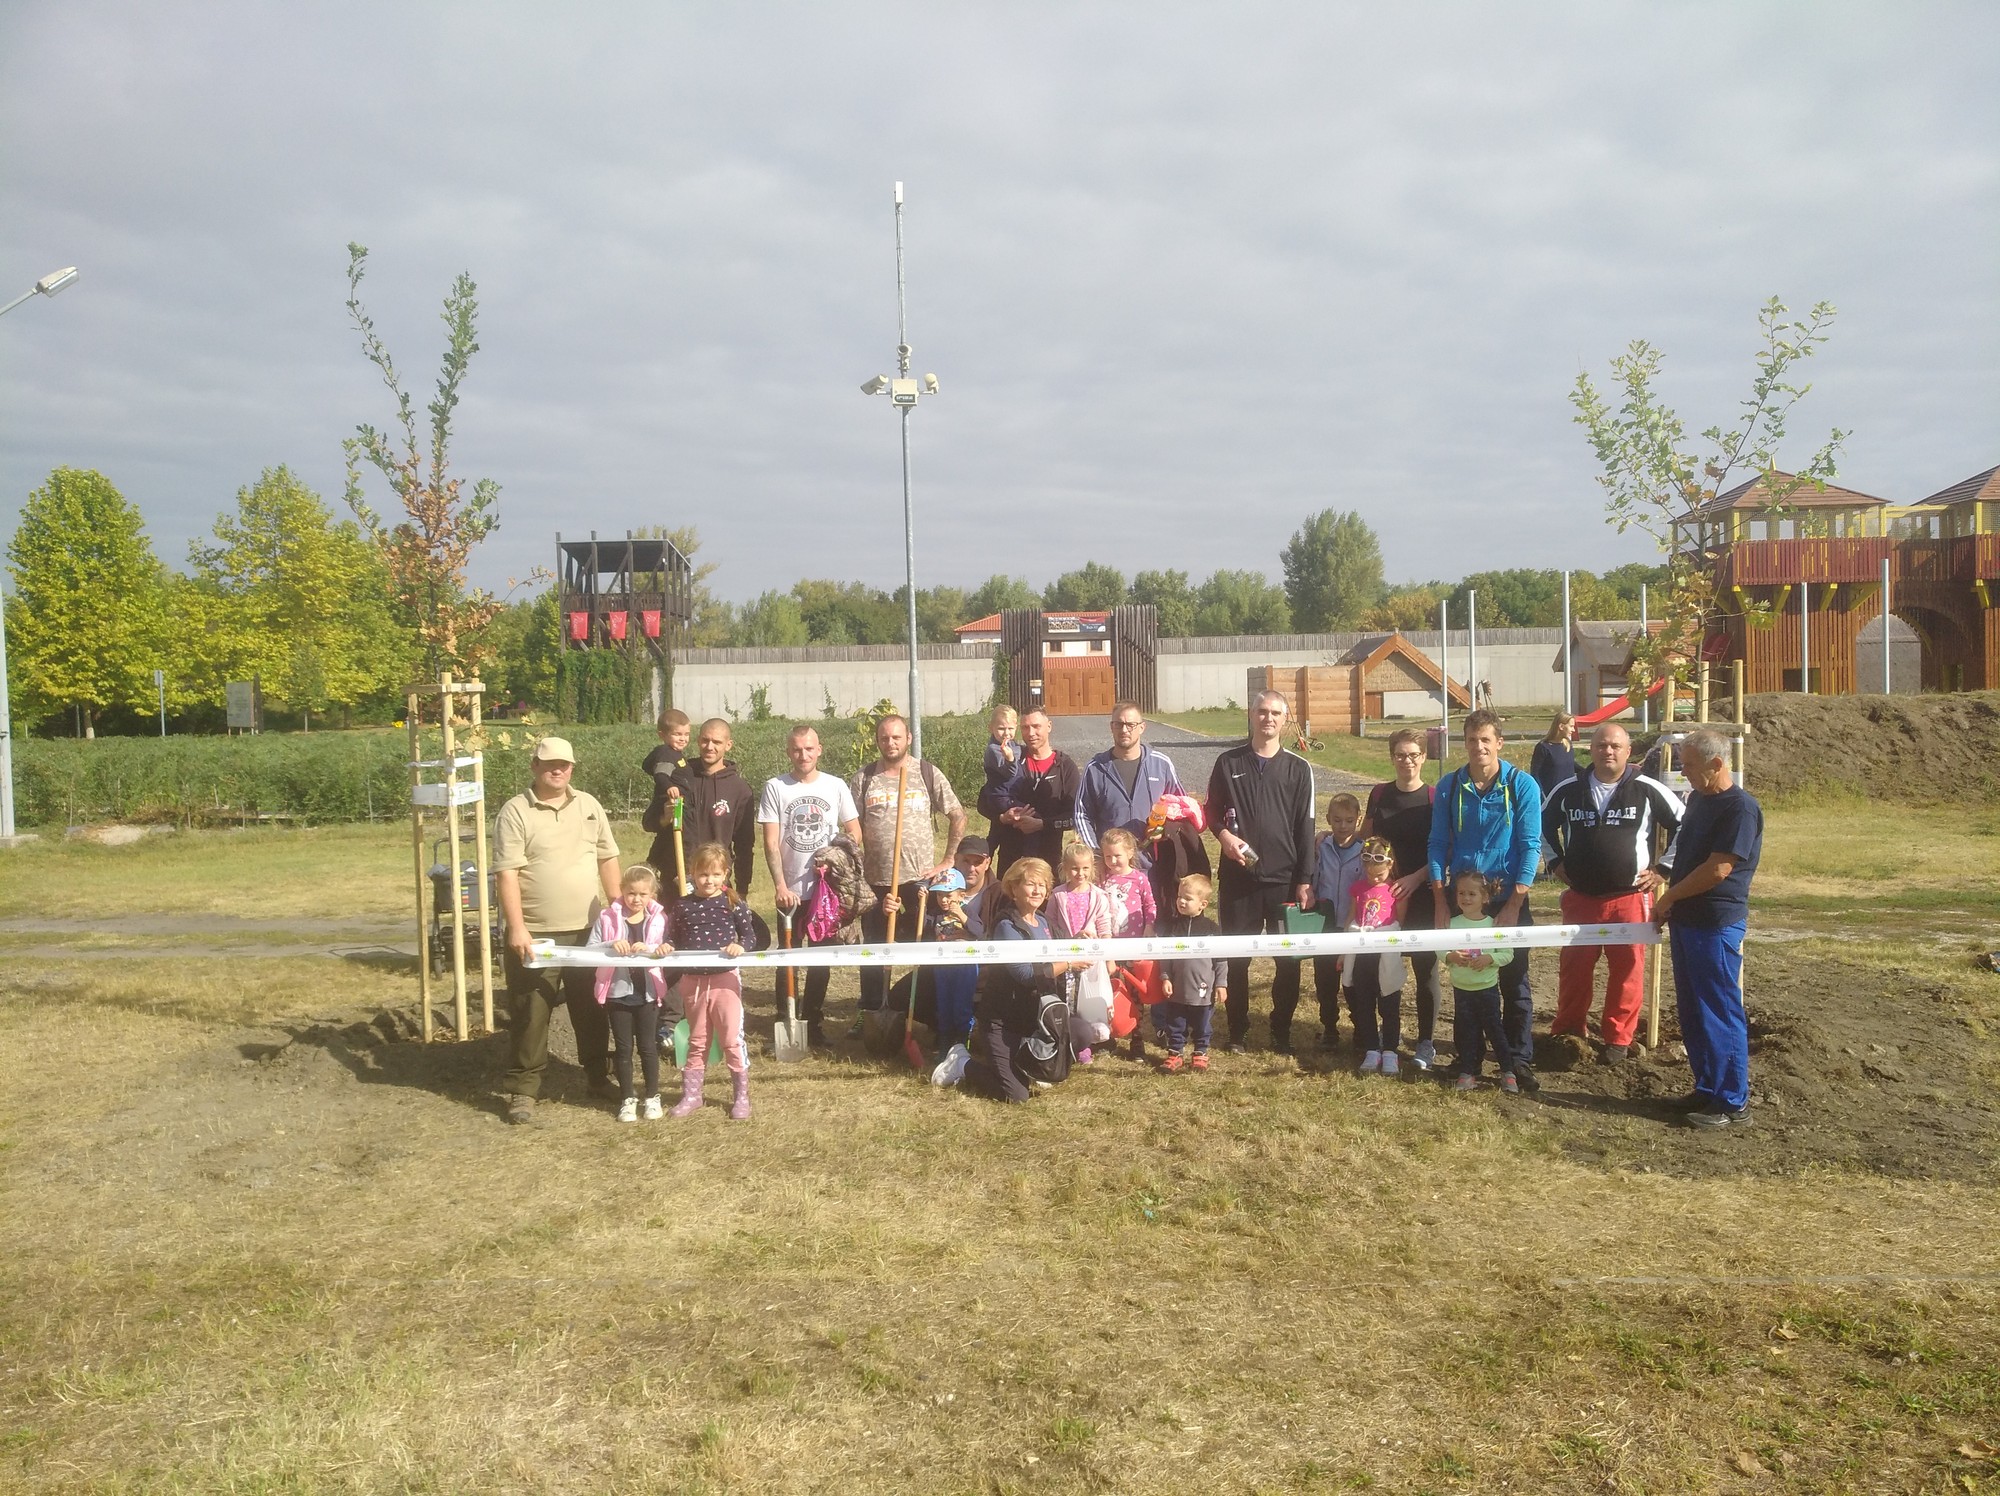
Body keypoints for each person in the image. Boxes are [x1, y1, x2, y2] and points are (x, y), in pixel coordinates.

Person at [496, 736, 623, 1125]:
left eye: (564, 764)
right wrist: (517, 928)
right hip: (537, 934)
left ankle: (598, 1077)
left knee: (592, 1007)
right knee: (531, 1012)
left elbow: (607, 858)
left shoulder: (589, 806)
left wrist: (619, 911)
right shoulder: (515, 811)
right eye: (550, 764)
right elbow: (507, 873)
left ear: (572, 768)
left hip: (590, 932)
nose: (558, 770)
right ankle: (524, 1090)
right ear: (534, 766)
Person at [1541, 722, 1684, 1063]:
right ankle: (1569, 1031)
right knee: (1574, 969)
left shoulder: (1647, 788)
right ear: (1590, 750)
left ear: (1628, 751)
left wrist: (1664, 869)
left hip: (1629, 897)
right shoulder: (1569, 789)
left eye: (1615, 746)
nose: (1608, 751)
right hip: (1581, 898)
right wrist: (1554, 861)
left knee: (1627, 971)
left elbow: (1686, 825)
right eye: (1601, 745)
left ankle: (1618, 1038)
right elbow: (1541, 826)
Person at [1651, 728, 1762, 1129]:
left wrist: (1669, 896)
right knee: (1694, 1010)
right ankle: (1708, 1087)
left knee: (1719, 1010)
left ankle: (1732, 1102)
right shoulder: (1698, 799)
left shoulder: (1740, 809)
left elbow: (1718, 869)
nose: (1683, 772)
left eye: (1690, 765)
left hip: (1715, 924)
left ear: (1717, 764)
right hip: (1688, 920)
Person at [1427, 709, 1543, 1090]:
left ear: (1499, 743)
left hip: (1507, 898)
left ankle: (1518, 1060)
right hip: (1463, 900)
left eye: (1486, 740)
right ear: (1464, 743)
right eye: (1472, 740)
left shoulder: (1522, 785)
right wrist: (1440, 899)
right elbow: (1437, 843)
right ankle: (1468, 1058)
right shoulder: (1449, 786)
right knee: (1467, 980)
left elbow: (1530, 846)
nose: (1479, 747)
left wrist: (1514, 903)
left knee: (1514, 981)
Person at [1205, 690, 1317, 1053]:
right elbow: (1211, 811)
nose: (1268, 718)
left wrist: (1305, 879)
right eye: (1262, 711)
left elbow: (1306, 827)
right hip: (1239, 880)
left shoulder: (1299, 768)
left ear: (1285, 720)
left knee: (1287, 962)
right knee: (1238, 959)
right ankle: (1237, 1031)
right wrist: (1224, 837)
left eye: (1275, 713)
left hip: (1283, 881)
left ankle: (1281, 1031)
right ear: (1252, 715)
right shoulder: (1228, 762)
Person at [935, 857, 1080, 1102]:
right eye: (1030, 884)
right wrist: (1068, 963)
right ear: (1013, 888)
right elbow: (1025, 975)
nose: (1037, 891)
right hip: (1001, 1022)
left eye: (1042, 885)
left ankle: (1025, 1065)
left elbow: (1064, 949)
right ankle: (962, 1064)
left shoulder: (1045, 922)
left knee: (1080, 1032)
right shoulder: (1006, 925)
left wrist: (1080, 942)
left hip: (1032, 1020)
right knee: (1016, 1096)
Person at [757, 724, 862, 1049]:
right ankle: (785, 1019)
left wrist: (835, 860)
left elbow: (855, 832)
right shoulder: (776, 787)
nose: (803, 755)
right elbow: (770, 842)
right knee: (787, 958)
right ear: (789, 752)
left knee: (820, 960)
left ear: (819, 750)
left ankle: (813, 1022)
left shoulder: (836, 786)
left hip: (824, 894)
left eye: (809, 748)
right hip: (790, 892)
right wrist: (780, 885)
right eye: (797, 749)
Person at [852, 715, 966, 1011]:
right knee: (874, 949)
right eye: (884, 738)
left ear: (908, 739)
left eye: (896, 737)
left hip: (919, 879)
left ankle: (921, 1009)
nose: (890, 743)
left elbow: (957, 815)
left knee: (924, 945)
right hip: (876, 880)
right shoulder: (864, 778)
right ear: (877, 741)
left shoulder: (926, 772)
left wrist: (948, 859)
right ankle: (872, 1010)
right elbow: (853, 828)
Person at [1361, 729, 1444, 1070]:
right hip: (1384, 900)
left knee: (1425, 969)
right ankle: (1386, 1037)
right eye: (1400, 755)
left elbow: (1442, 849)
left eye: (1413, 755)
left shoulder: (1434, 798)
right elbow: (1366, 840)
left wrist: (1415, 878)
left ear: (1423, 757)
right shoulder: (1379, 794)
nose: (1406, 761)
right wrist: (1331, 837)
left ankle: (1426, 1042)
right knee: (1383, 969)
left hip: (1422, 895)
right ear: (1392, 757)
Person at [662, 843, 760, 1121]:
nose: (709, 880)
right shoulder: (682, 906)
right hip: (692, 982)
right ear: (692, 874)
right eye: (703, 874)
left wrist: (740, 946)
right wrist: (667, 946)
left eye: (716, 874)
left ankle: (741, 1097)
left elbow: (751, 937)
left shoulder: (733, 903)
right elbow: (672, 937)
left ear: (725, 874)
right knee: (697, 1040)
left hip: (724, 981)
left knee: (731, 1039)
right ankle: (692, 1095)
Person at [1074, 702, 1184, 890]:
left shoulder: (1161, 764)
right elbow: (1081, 814)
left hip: (1155, 866)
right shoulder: (1096, 768)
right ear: (1111, 727)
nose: (1124, 730)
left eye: (1130, 725)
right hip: (1111, 870)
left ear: (1142, 727)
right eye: (1119, 724)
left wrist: (1165, 830)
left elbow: (1181, 807)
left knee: (1154, 909)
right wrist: (1097, 854)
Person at [645, 718, 755, 906]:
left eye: (717, 742)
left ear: (728, 745)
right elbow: (648, 823)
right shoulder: (678, 776)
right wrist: (665, 817)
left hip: (715, 883)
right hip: (674, 880)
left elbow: (744, 846)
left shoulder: (740, 790)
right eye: (705, 740)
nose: (709, 747)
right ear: (698, 741)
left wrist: (742, 889)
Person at [590, 864, 670, 1122]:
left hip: (648, 994)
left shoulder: (659, 918)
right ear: (622, 891)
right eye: (631, 893)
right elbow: (590, 949)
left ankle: (653, 1097)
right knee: (624, 1049)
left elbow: (667, 946)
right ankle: (627, 1099)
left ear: (652, 895)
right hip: (617, 993)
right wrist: (611, 945)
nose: (636, 899)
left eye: (643, 894)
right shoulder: (606, 918)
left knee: (648, 1047)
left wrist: (654, 949)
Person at [1445, 870, 1517, 1094]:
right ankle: (1467, 1073)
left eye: (1472, 894)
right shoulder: (1451, 924)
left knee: (1495, 1031)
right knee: (1466, 1033)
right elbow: (1439, 948)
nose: (1466, 898)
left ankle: (1508, 1072)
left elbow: (1508, 954)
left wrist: (1490, 959)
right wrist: (1450, 956)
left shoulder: (1494, 925)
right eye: (1461, 893)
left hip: (1487, 990)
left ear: (1485, 897)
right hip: (1461, 990)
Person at [980, 709, 1080, 874]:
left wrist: (1042, 824)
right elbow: (983, 803)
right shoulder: (1011, 756)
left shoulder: (1064, 767)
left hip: (1048, 862)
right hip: (1011, 862)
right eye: (1025, 727)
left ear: (1049, 726)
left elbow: (1074, 817)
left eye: (1036, 726)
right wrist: (1003, 817)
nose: (1031, 733)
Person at [1311, 792, 1365, 1052]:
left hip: (1353, 927)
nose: (1343, 826)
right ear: (1328, 819)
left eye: (1349, 820)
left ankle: (1361, 1028)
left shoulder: (1365, 852)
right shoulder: (1320, 847)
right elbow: (1313, 879)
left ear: (1358, 820)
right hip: (1325, 926)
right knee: (1325, 981)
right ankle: (1330, 1027)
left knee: (1353, 981)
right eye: (1337, 820)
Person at [1348, 838, 1407, 1077]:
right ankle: (1371, 1048)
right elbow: (1352, 918)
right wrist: (1344, 951)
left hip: (1386, 957)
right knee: (1364, 1005)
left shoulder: (1396, 891)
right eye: (1370, 874)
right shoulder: (1358, 889)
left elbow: (1400, 923)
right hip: (1363, 956)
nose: (1374, 878)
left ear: (1390, 865)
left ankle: (1390, 1051)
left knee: (1389, 1005)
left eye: (1380, 875)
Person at [1155, 873, 1225, 1073]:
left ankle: (1200, 1052)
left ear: (1203, 904)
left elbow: (1221, 959)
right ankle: (1175, 1053)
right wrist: (1165, 978)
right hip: (1177, 989)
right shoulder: (1172, 928)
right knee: (1175, 1023)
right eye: (1179, 897)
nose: (1181, 901)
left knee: (1202, 1024)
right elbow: (1165, 956)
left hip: (1203, 991)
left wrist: (1221, 984)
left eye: (1187, 898)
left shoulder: (1212, 929)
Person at [981, 705, 1023, 839]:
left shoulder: (1012, 744)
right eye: (1001, 728)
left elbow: (1019, 749)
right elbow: (1010, 773)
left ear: (1016, 727)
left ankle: (988, 847)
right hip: (1001, 796)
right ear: (991, 728)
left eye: (1010, 728)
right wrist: (1010, 759)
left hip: (1009, 794)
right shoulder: (994, 750)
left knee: (997, 833)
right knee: (1031, 814)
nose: (1006, 733)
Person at [1530, 712, 1580, 798]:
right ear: (1561, 726)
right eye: (1571, 726)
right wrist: (1542, 796)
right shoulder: (1543, 747)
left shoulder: (1567, 744)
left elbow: (1570, 764)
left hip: (1570, 795)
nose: (1573, 730)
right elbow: (1535, 774)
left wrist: (1589, 771)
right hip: (1551, 796)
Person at [642, 708, 691, 791]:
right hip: (672, 797)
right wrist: (669, 787)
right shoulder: (665, 754)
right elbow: (661, 775)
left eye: (686, 734)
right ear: (662, 735)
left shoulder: (674, 753)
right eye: (677, 734)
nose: (683, 739)